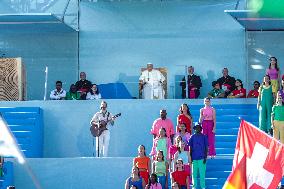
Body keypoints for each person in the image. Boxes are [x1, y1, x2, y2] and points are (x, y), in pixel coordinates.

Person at [188, 124, 208, 189]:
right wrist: (190, 158)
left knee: (202, 175)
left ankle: (203, 187)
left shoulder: (204, 137)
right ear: (194, 129)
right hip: (194, 159)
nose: (197, 129)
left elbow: (206, 148)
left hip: (202, 158)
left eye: (198, 128)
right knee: (194, 175)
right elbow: (190, 148)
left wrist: (205, 157)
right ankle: (194, 187)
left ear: (201, 129)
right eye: (196, 128)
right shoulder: (192, 137)